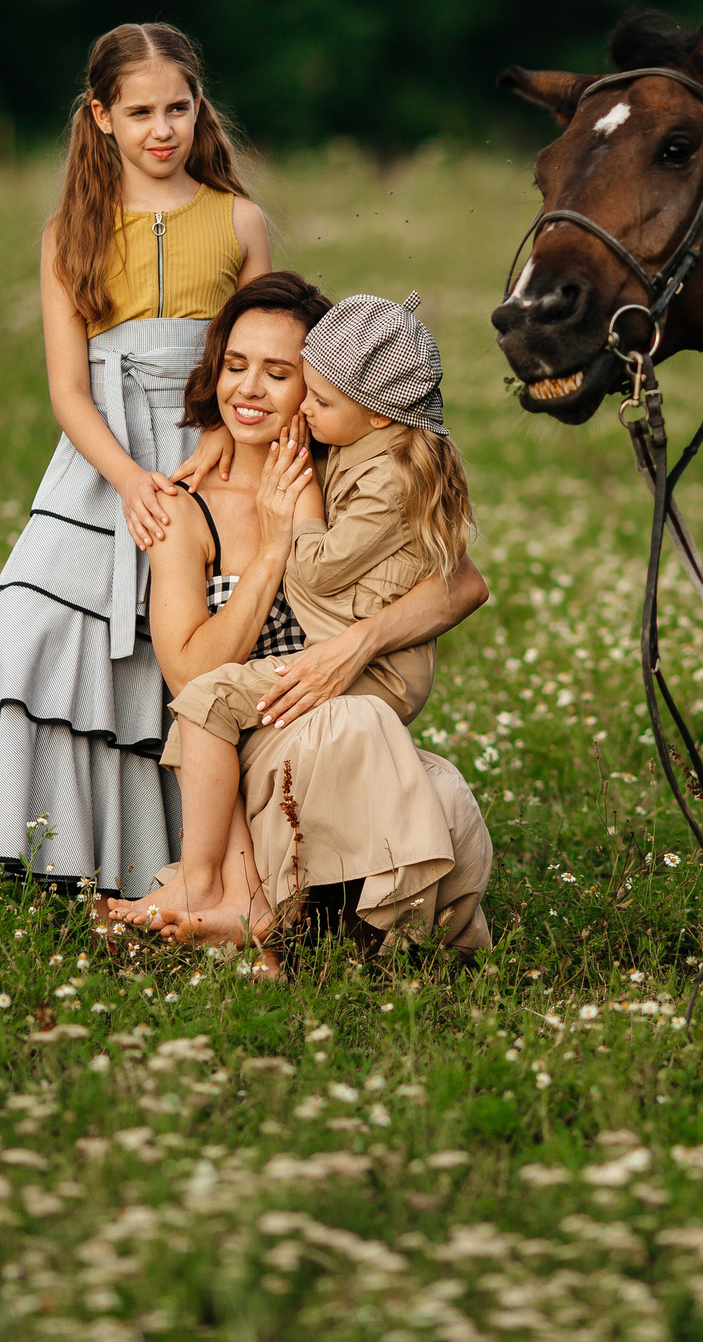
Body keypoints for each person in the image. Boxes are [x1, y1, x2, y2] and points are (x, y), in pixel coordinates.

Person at [0, 22, 269, 915]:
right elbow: (67, 389)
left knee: (192, 660)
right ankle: (68, 854)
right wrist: (128, 480)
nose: (162, 129)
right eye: (139, 113)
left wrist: (221, 437)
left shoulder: (239, 221)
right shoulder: (69, 234)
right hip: (103, 461)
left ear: (199, 107)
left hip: (209, 454)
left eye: (178, 108)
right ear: (100, 116)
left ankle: (201, 874)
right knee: (41, 635)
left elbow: (263, 355)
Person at [106, 279, 494, 952]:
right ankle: (240, 898)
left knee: (440, 788)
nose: (250, 389)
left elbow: (463, 585)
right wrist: (272, 548)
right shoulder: (187, 504)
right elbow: (191, 676)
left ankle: (358, 947)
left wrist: (358, 643)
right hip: (254, 736)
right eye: (235, 366)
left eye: (281, 375)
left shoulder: (345, 467)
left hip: (325, 719)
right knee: (360, 722)